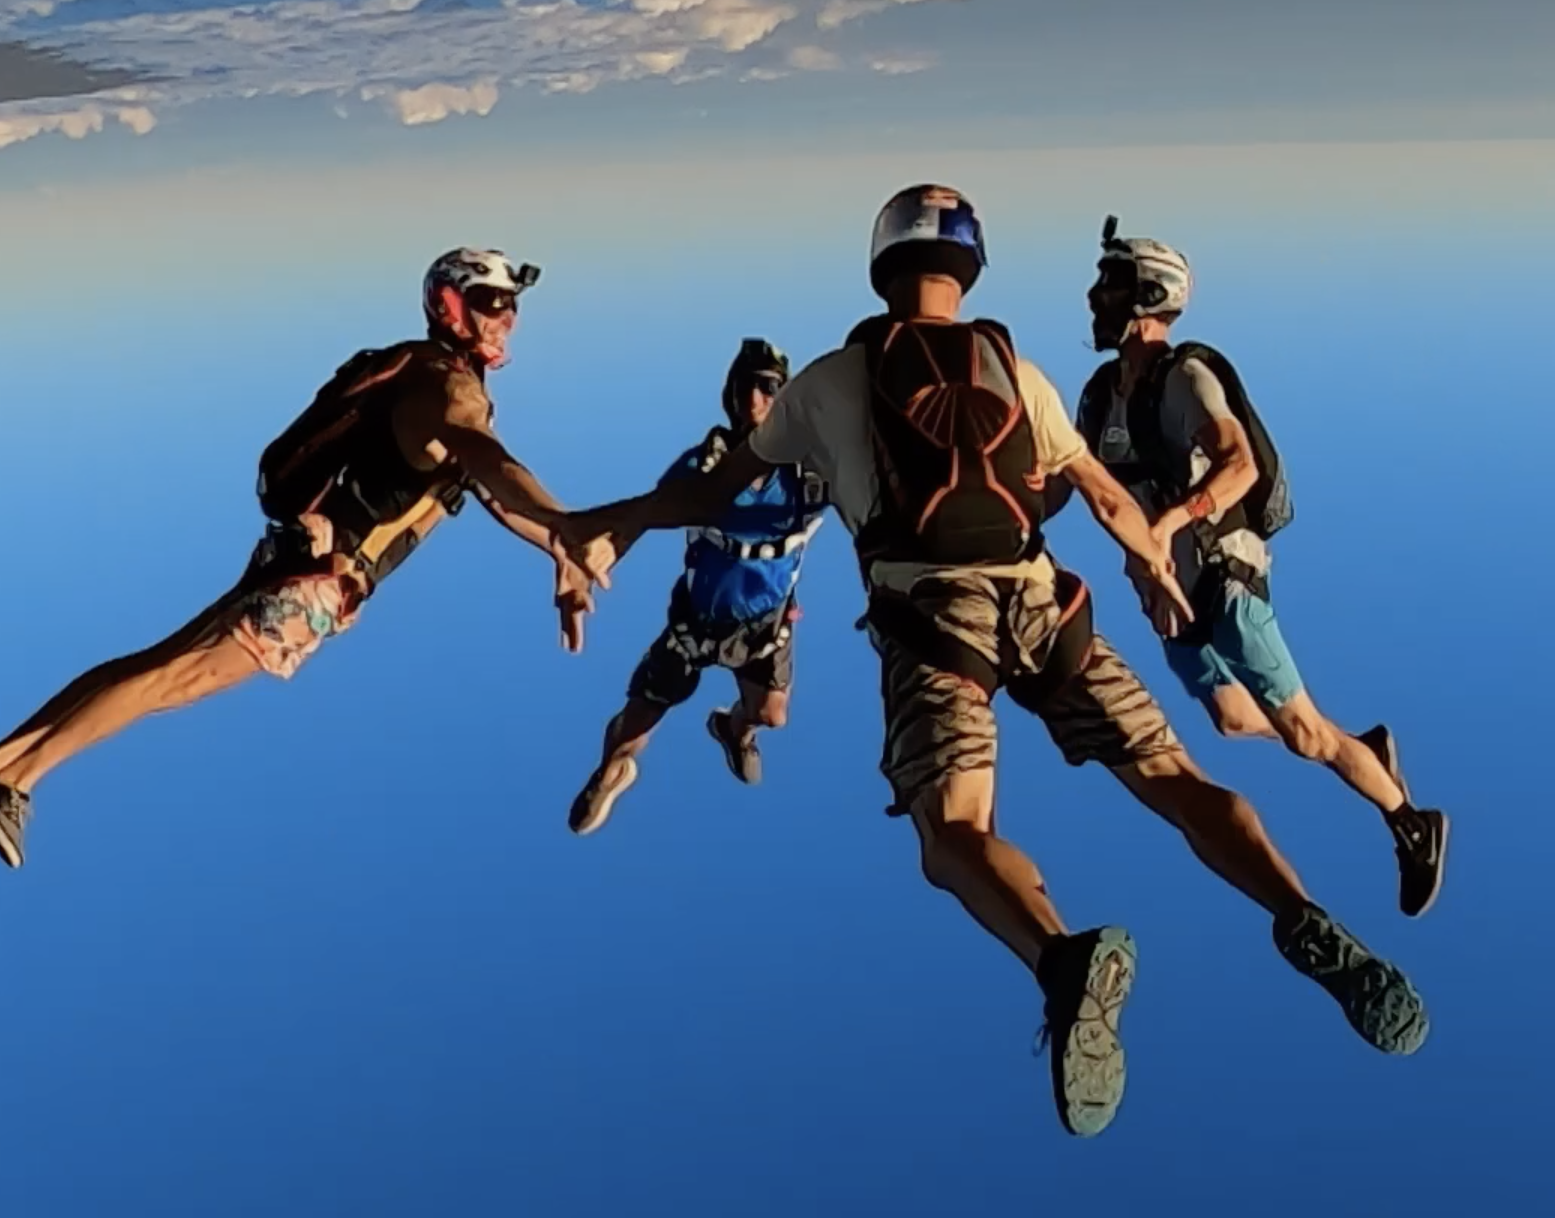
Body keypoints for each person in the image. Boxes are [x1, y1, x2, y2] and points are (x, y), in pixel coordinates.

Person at [563, 185, 1429, 1139]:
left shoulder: (829, 381)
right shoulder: (1020, 371)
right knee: (1176, 777)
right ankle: (1298, 913)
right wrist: (1155, 567)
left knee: (955, 835)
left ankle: (1062, 962)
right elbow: (1100, 495)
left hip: (935, 616)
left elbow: (713, 495)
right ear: (970, 265)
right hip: (1046, 601)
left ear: (880, 260)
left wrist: (597, 529)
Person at [0, 248, 594, 869]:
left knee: (156, 670)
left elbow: (487, 490)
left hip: (297, 555)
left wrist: (557, 546)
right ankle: (11, 777)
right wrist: (567, 527)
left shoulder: (421, 373)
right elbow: (491, 465)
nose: (506, 317)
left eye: (512, 305)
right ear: (452, 304)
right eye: (492, 301)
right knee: (170, 680)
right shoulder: (449, 390)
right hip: (318, 579)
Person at [1071, 217, 1451, 917]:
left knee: (1305, 735)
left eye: (1111, 283)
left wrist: (1170, 525)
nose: (1095, 295)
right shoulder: (1100, 399)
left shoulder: (1185, 377)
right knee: (1233, 718)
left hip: (1223, 580)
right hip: (1173, 596)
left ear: (1148, 294)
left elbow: (1238, 463)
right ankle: (1359, 746)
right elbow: (1073, 481)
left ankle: (1408, 819)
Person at [567, 338, 831, 834]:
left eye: (767, 388)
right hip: (696, 623)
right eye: (744, 389)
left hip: (764, 627)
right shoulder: (699, 467)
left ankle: (734, 730)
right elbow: (645, 513)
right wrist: (599, 558)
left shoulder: (813, 474)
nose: (754, 401)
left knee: (772, 715)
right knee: (636, 721)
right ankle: (611, 772)